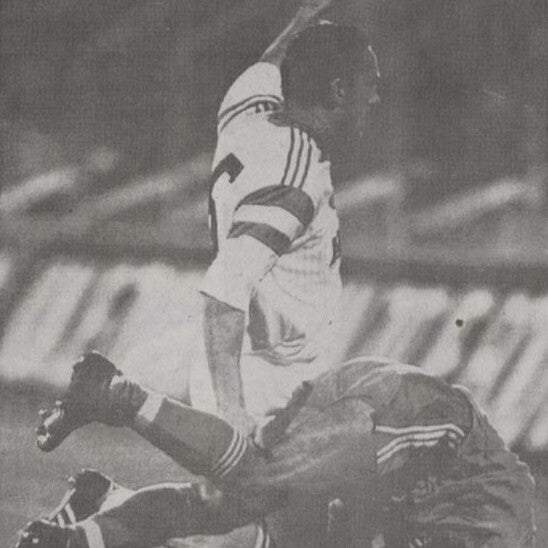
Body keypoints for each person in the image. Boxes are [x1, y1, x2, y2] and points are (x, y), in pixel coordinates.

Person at [19, 351, 536, 547]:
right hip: (406, 419)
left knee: (235, 504)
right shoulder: (494, 528)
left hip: (382, 404)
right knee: (257, 483)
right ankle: (118, 395)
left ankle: (91, 518)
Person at [197, 0, 380, 431]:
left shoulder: (246, 110)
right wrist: (232, 411)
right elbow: (223, 291)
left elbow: (270, 63)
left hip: (242, 365)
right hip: (270, 387)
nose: (375, 98)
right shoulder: (295, 179)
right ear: (339, 91)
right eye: (369, 84)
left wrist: (304, 18)